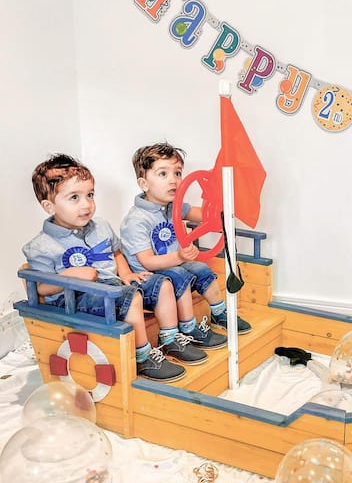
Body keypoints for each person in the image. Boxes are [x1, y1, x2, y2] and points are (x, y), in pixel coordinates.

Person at [22, 153, 209, 383]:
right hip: (74, 300)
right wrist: (69, 276)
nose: (86, 204)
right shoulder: (41, 246)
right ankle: (142, 356)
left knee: (162, 284)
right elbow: (40, 288)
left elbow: (116, 251)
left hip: (112, 285)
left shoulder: (100, 226)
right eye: (74, 198)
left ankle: (170, 339)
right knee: (130, 297)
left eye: (90, 195)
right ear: (49, 206)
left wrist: (126, 273)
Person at [120, 142, 251, 348]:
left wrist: (220, 211)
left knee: (201, 268)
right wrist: (179, 257)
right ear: (144, 184)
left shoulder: (174, 206)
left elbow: (202, 215)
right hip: (149, 277)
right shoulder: (136, 220)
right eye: (163, 174)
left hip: (175, 264)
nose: (173, 180)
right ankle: (188, 328)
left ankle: (219, 313)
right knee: (180, 274)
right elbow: (147, 262)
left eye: (178, 173)